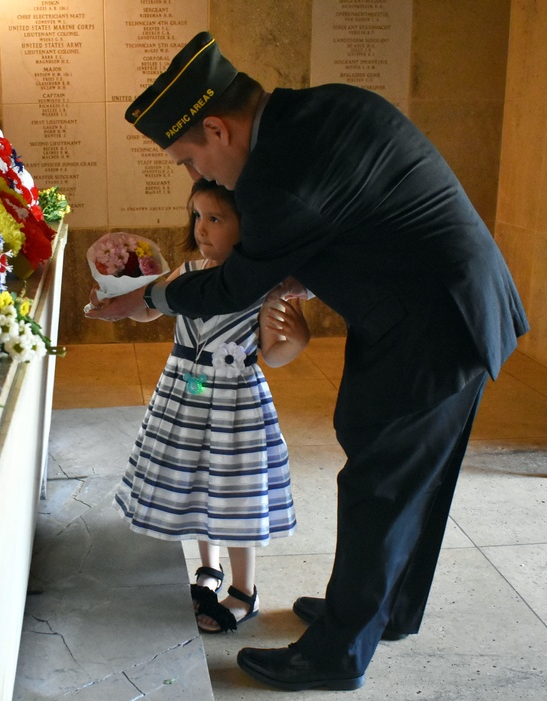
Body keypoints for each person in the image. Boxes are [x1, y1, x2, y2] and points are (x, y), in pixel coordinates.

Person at [87, 32, 529, 691]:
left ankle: (335, 652)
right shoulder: (312, 113)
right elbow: (362, 215)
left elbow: (236, 283)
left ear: (217, 127)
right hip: (447, 306)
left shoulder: (274, 177)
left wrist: (148, 297)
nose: (196, 177)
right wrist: (305, 272)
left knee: (382, 480)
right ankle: (388, 606)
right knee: (413, 477)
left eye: (188, 158)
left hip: (436, 325)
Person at [113, 179, 310, 635]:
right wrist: (122, 302)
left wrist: (298, 339)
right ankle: (208, 567)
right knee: (196, 482)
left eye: (216, 218)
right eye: (197, 216)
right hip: (185, 395)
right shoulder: (187, 272)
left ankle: (245, 590)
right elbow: (152, 308)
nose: (202, 229)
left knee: (233, 490)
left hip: (234, 407)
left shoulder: (265, 289)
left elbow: (273, 352)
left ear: (248, 226)